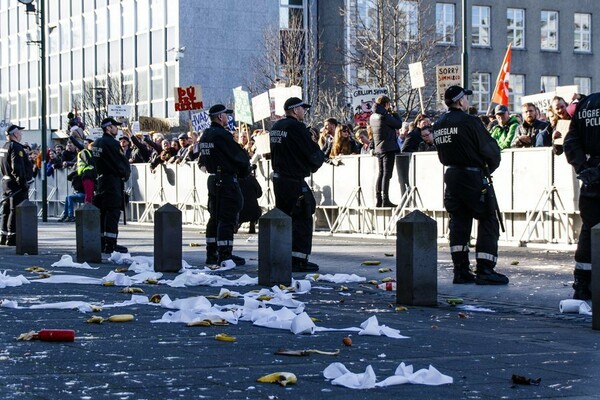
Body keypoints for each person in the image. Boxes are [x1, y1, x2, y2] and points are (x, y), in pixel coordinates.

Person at [433, 85, 509, 285]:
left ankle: (461, 270)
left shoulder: (439, 123)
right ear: (460, 101)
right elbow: (490, 150)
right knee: (488, 218)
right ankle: (485, 269)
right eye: (465, 98)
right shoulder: (470, 122)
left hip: (451, 176)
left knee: (458, 221)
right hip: (472, 177)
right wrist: (487, 169)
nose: (467, 101)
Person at [270, 97, 325, 272]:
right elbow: (311, 153)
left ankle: (283, 256)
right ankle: (299, 259)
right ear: (294, 110)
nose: (304, 112)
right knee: (303, 215)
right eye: (302, 108)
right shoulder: (296, 127)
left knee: (285, 217)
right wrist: (318, 156)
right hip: (293, 179)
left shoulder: (276, 127)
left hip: (280, 179)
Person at [198, 104, 250, 267]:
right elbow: (239, 157)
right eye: (226, 115)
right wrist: (245, 170)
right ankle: (225, 254)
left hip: (213, 179)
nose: (227, 118)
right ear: (220, 117)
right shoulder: (222, 135)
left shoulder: (206, 135)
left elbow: (202, 161)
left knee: (215, 217)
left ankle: (211, 253)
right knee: (226, 218)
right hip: (225, 180)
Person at [563, 92, 600, 300]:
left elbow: (570, 142)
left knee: (589, 229)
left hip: (590, 178)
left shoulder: (586, 104)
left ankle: (582, 283)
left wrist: (583, 168)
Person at [92, 117, 131, 254]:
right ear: (108, 128)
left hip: (101, 181)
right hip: (112, 181)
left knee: (103, 212)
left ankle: (102, 242)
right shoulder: (112, 144)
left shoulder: (96, 143)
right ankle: (111, 244)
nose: (117, 129)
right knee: (113, 212)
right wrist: (125, 173)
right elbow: (120, 163)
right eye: (115, 126)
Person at [0, 125, 32, 246]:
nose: (21, 135)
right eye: (20, 132)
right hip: (15, 184)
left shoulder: (4, 147)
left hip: (5, 182)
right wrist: (22, 183)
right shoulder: (16, 148)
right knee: (15, 210)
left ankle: (3, 235)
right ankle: (12, 237)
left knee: (6, 210)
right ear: (15, 134)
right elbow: (17, 167)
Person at [370, 95, 403, 207]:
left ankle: (379, 199)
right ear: (386, 104)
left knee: (381, 173)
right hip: (388, 147)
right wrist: (394, 113)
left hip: (379, 148)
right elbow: (398, 124)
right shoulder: (383, 115)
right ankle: (385, 200)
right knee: (387, 175)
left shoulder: (373, 116)